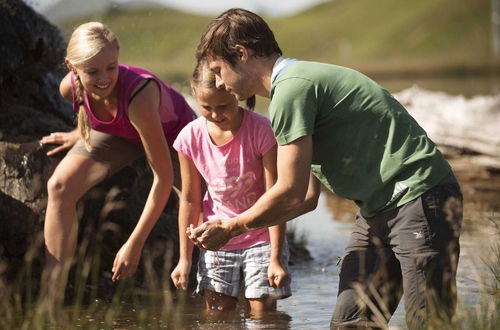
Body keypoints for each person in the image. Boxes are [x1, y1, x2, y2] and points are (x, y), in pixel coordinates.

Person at [187, 8, 463, 329]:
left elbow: (289, 192)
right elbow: (305, 197)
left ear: (241, 54)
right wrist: (242, 231)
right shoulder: (290, 91)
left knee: (429, 321)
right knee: (351, 322)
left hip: (419, 197)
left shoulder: (292, 89)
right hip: (376, 210)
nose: (219, 81)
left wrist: (232, 227)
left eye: (219, 69)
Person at [40, 22, 196, 303]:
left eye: (111, 67)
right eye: (92, 71)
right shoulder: (68, 88)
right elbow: (90, 106)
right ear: (71, 67)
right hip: (123, 134)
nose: (104, 79)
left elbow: (162, 178)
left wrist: (134, 244)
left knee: (206, 211)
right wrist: (79, 133)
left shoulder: (139, 95)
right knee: (59, 187)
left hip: (174, 138)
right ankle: (52, 294)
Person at [170, 60, 292, 316]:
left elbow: (275, 196)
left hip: (261, 238)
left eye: (223, 106)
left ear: (236, 94)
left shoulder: (261, 130)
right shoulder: (189, 138)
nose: (215, 115)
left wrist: (276, 259)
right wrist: (185, 258)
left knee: (263, 317)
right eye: (206, 107)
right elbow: (190, 200)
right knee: (217, 316)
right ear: (195, 97)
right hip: (216, 240)